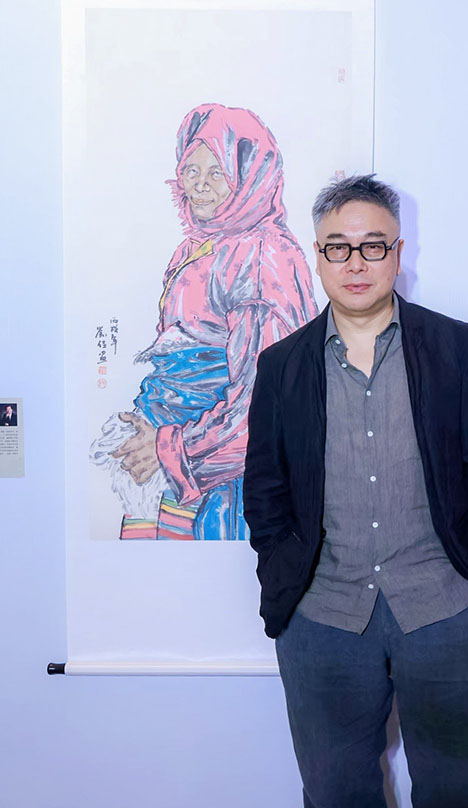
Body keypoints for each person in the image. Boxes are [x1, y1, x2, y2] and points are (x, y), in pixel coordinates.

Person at [243, 175, 468, 808]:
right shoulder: (283, 365)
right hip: (324, 617)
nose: (355, 261)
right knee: (337, 791)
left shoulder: (453, 348)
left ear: (399, 251)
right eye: (338, 246)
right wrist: (283, 584)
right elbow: (265, 492)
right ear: (317, 255)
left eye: (373, 244)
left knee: (454, 793)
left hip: (444, 608)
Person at [91, 103, 317, 539]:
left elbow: (265, 399)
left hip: (220, 474)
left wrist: (172, 450)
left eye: (217, 172)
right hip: (161, 455)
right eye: (191, 171)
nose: (199, 185)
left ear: (250, 176)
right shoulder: (193, 248)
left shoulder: (265, 255)